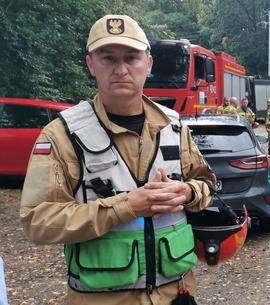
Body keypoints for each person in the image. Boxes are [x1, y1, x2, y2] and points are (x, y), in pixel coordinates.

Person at [19, 15, 215, 305]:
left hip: (177, 295)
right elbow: (37, 221)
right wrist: (126, 206)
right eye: (108, 58)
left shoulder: (173, 126)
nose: (121, 69)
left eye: (131, 58)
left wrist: (188, 193)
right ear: (90, 65)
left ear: (148, 64)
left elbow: (207, 185)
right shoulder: (63, 135)